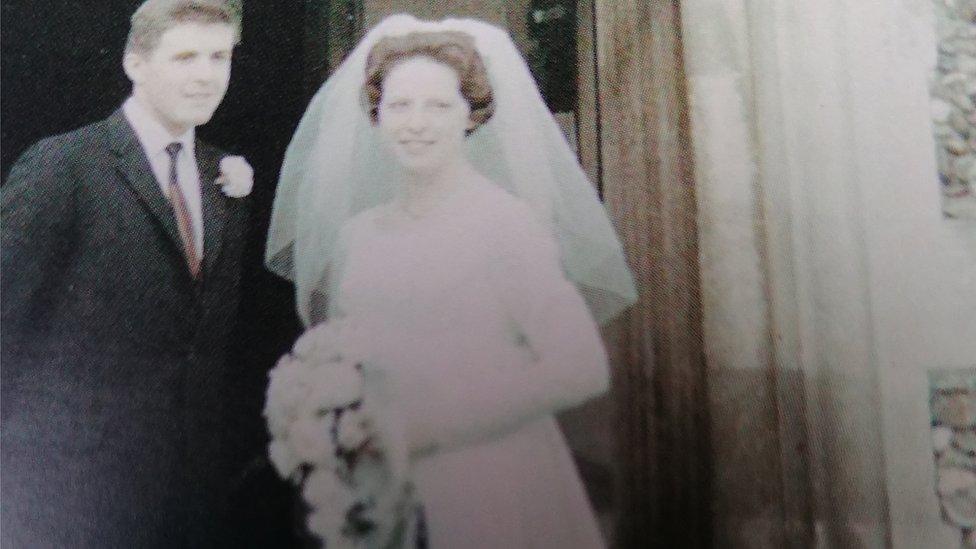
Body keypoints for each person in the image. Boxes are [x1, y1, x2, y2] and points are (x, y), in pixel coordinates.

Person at [266, 15, 637, 548]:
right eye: (400, 106)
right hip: (383, 487)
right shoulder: (357, 236)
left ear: (470, 115)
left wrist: (432, 422)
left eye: (438, 105)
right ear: (377, 116)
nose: (417, 123)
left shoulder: (502, 224)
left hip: (490, 475)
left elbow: (581, 366)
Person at [1, 1, 249, 546]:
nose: (206, 75)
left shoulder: (221, 178)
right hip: (69, 494)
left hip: (188, 496)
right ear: (135, 63)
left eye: (218, 57)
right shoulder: (64, 166)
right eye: (185, 57)